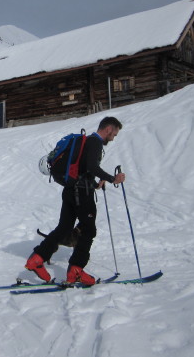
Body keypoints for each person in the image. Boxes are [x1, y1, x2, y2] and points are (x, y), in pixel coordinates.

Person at [25, 116, 126, 285]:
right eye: (114, 134)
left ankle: (36, 259)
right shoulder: (95, 142)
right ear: (108, 129)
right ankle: (76, 270)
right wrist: (111, 178)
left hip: (70, 190)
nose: (113, 138)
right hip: (82, 194)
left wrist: (94, 183)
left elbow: (83, 168)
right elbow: (91, 167)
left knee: (64, 228)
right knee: (88, 230)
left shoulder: (86, 142)